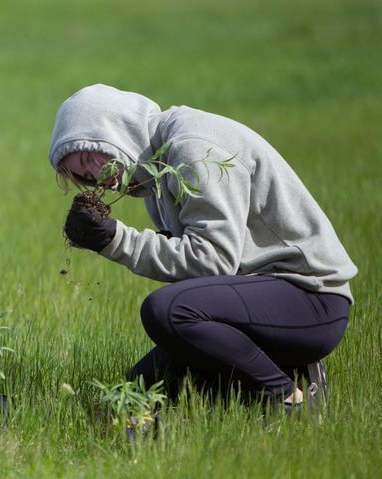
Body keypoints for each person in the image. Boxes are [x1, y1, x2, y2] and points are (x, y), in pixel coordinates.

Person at [48, 84, 357, 409]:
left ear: (113, 128)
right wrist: (111, 239)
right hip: (260, 298)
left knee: (165, 311)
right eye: (86, 176)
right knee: (132, 399)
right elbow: (200, 269)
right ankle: (285, 370)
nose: (100, 177)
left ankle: (290, 399)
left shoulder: (192, 147)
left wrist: (116, 240)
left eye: (89, 157)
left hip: (309, 300)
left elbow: (213, 261)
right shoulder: (158, 172)